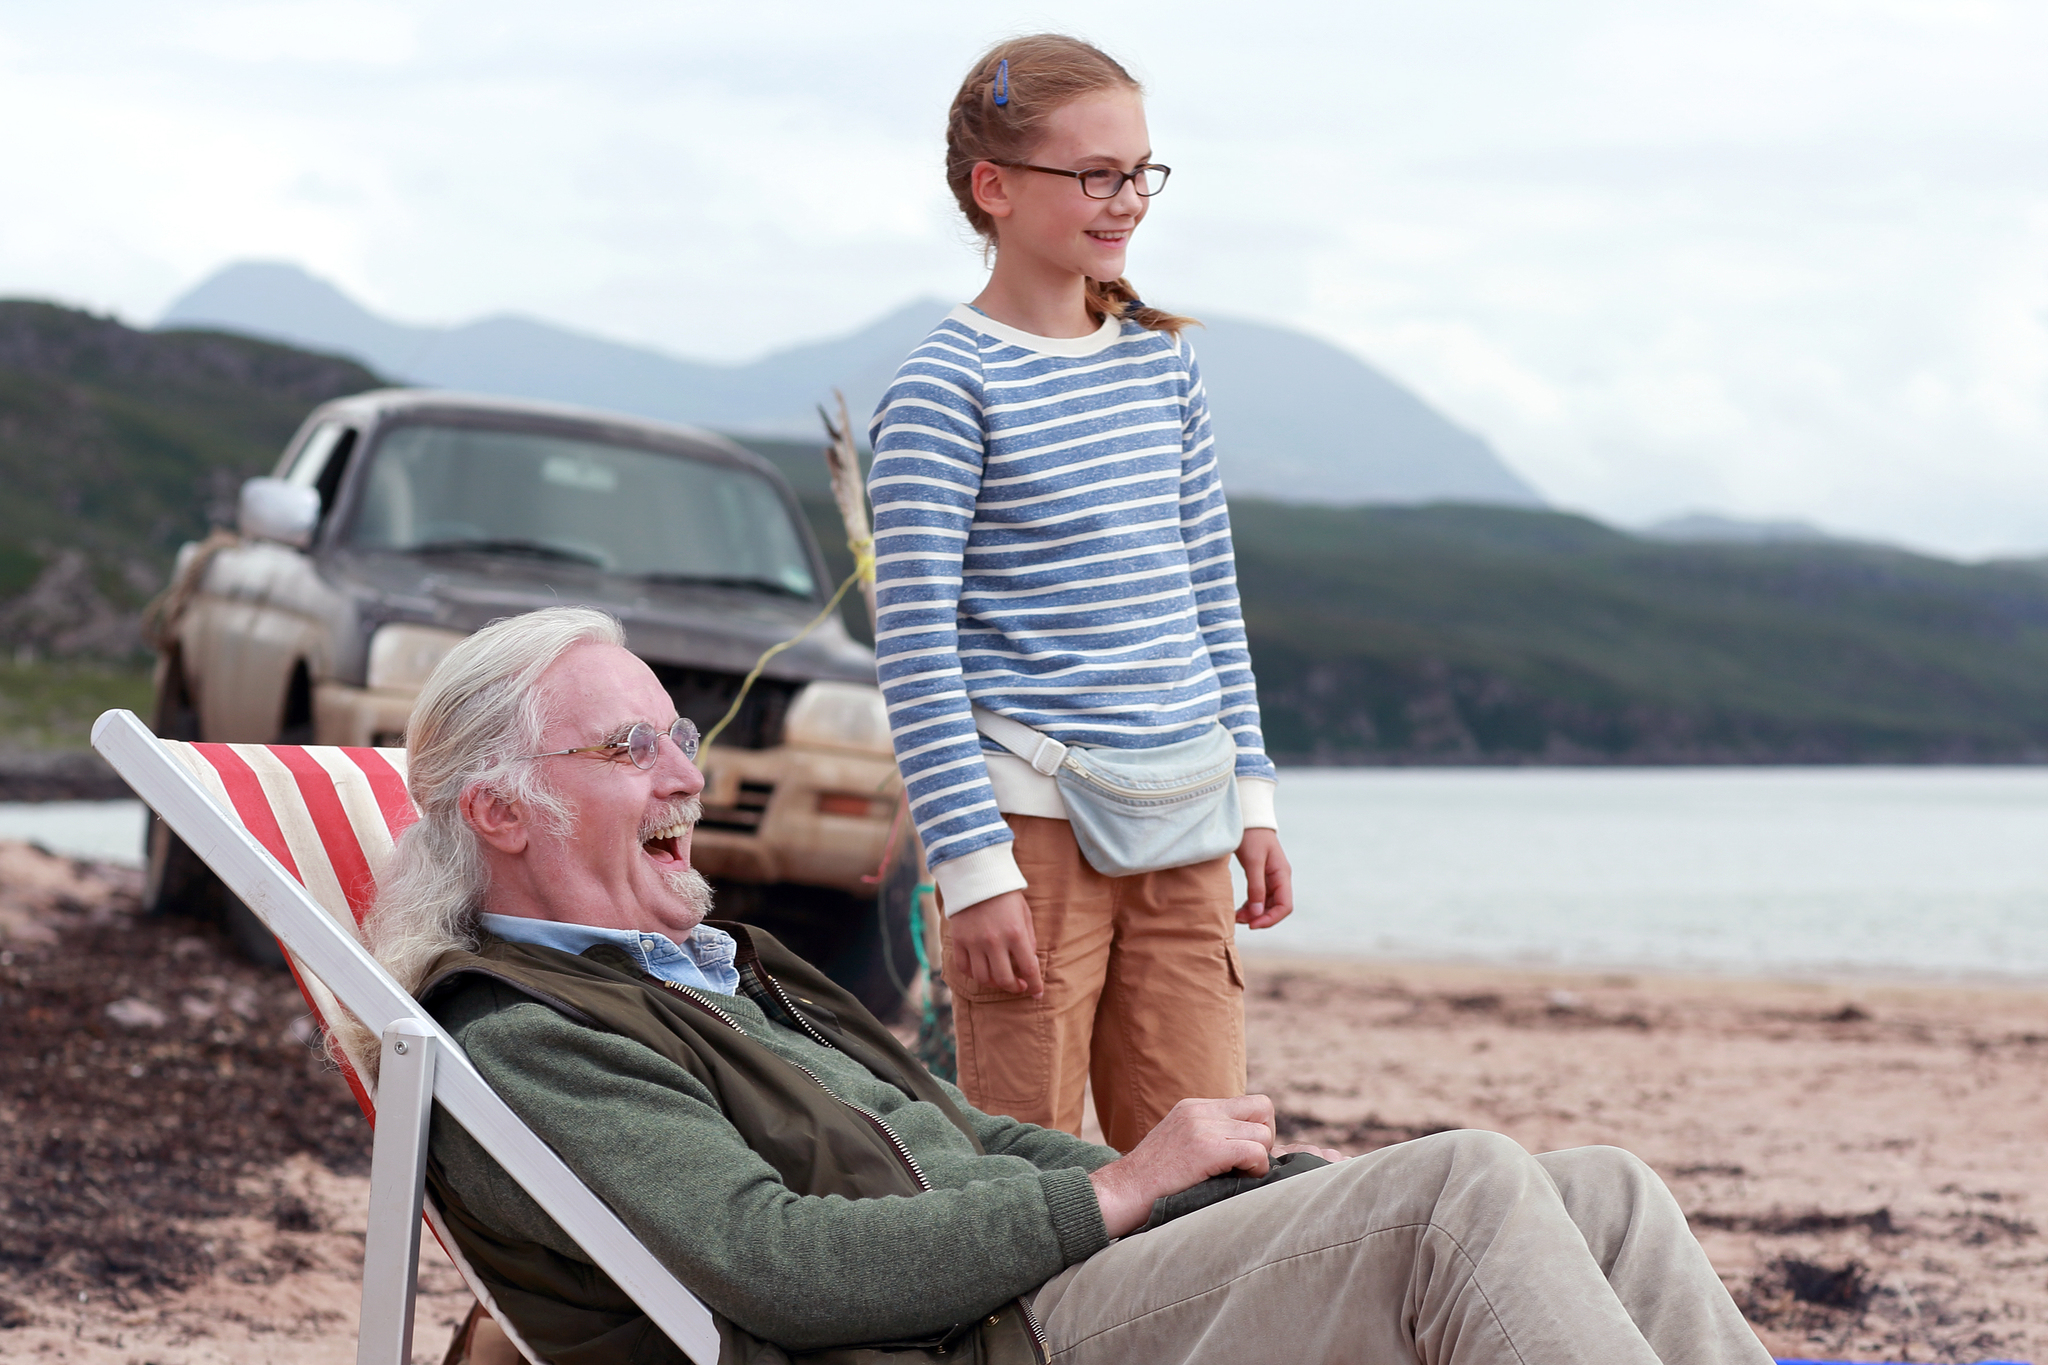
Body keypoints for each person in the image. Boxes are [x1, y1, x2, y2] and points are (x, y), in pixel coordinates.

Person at [370, 606, 1773, 1365]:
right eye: (632, 750)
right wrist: (1110, 1197)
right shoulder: (527, 1034)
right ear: (499, 811)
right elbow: (776, 1270)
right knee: (1461, 1194)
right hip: (972, 1343)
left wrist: (1190, 1186)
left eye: (677, 732)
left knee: (1602, 1191)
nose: (688, 772)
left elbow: (970, 1138)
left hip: (1017, 1290)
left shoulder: (715, 974)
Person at [866, 34, 1289, 1152]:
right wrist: (971, 867)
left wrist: (1252, 798)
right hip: (1030, 838)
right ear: (992, 188)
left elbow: (1209, 594)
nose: (1127, 200)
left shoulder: (1162, 361)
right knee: (1030, 1177)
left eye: (1141, 171)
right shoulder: (941, 390)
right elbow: (913, 655)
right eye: (1095, 173)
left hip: (1188, 823)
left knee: (1211, 1176)